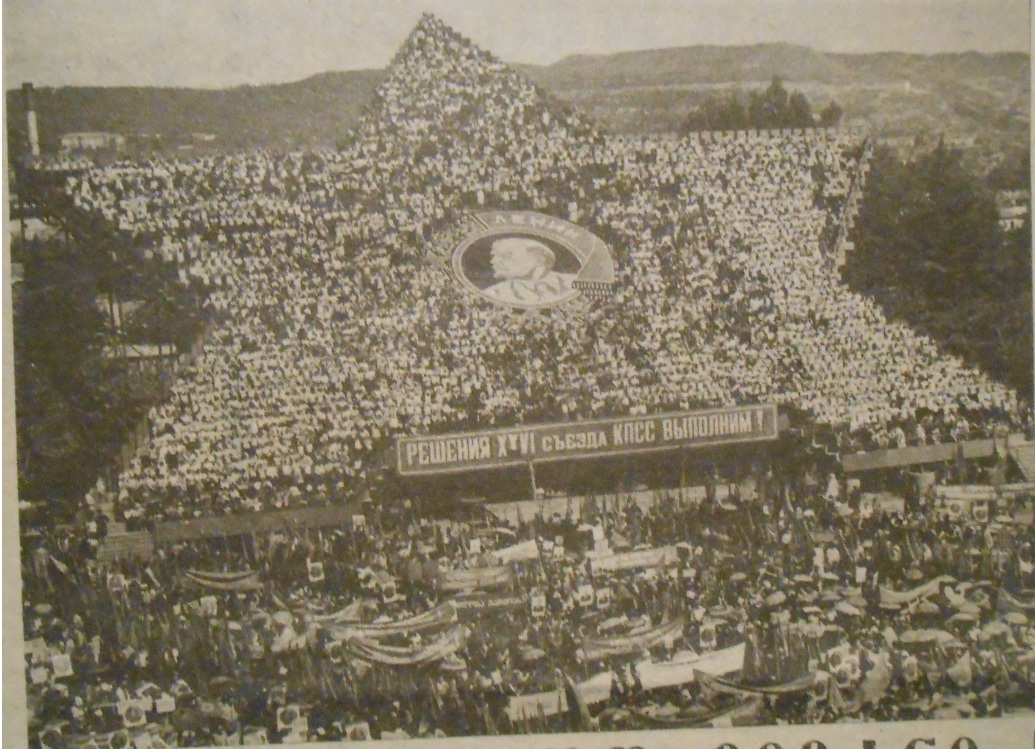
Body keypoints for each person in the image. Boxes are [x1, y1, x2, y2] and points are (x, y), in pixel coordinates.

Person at [481, 237, 577, 306]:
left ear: (539, 259)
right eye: (494, 256)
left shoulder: (574, 283)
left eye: (507, 256)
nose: (494, 261)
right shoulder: (494, 293)